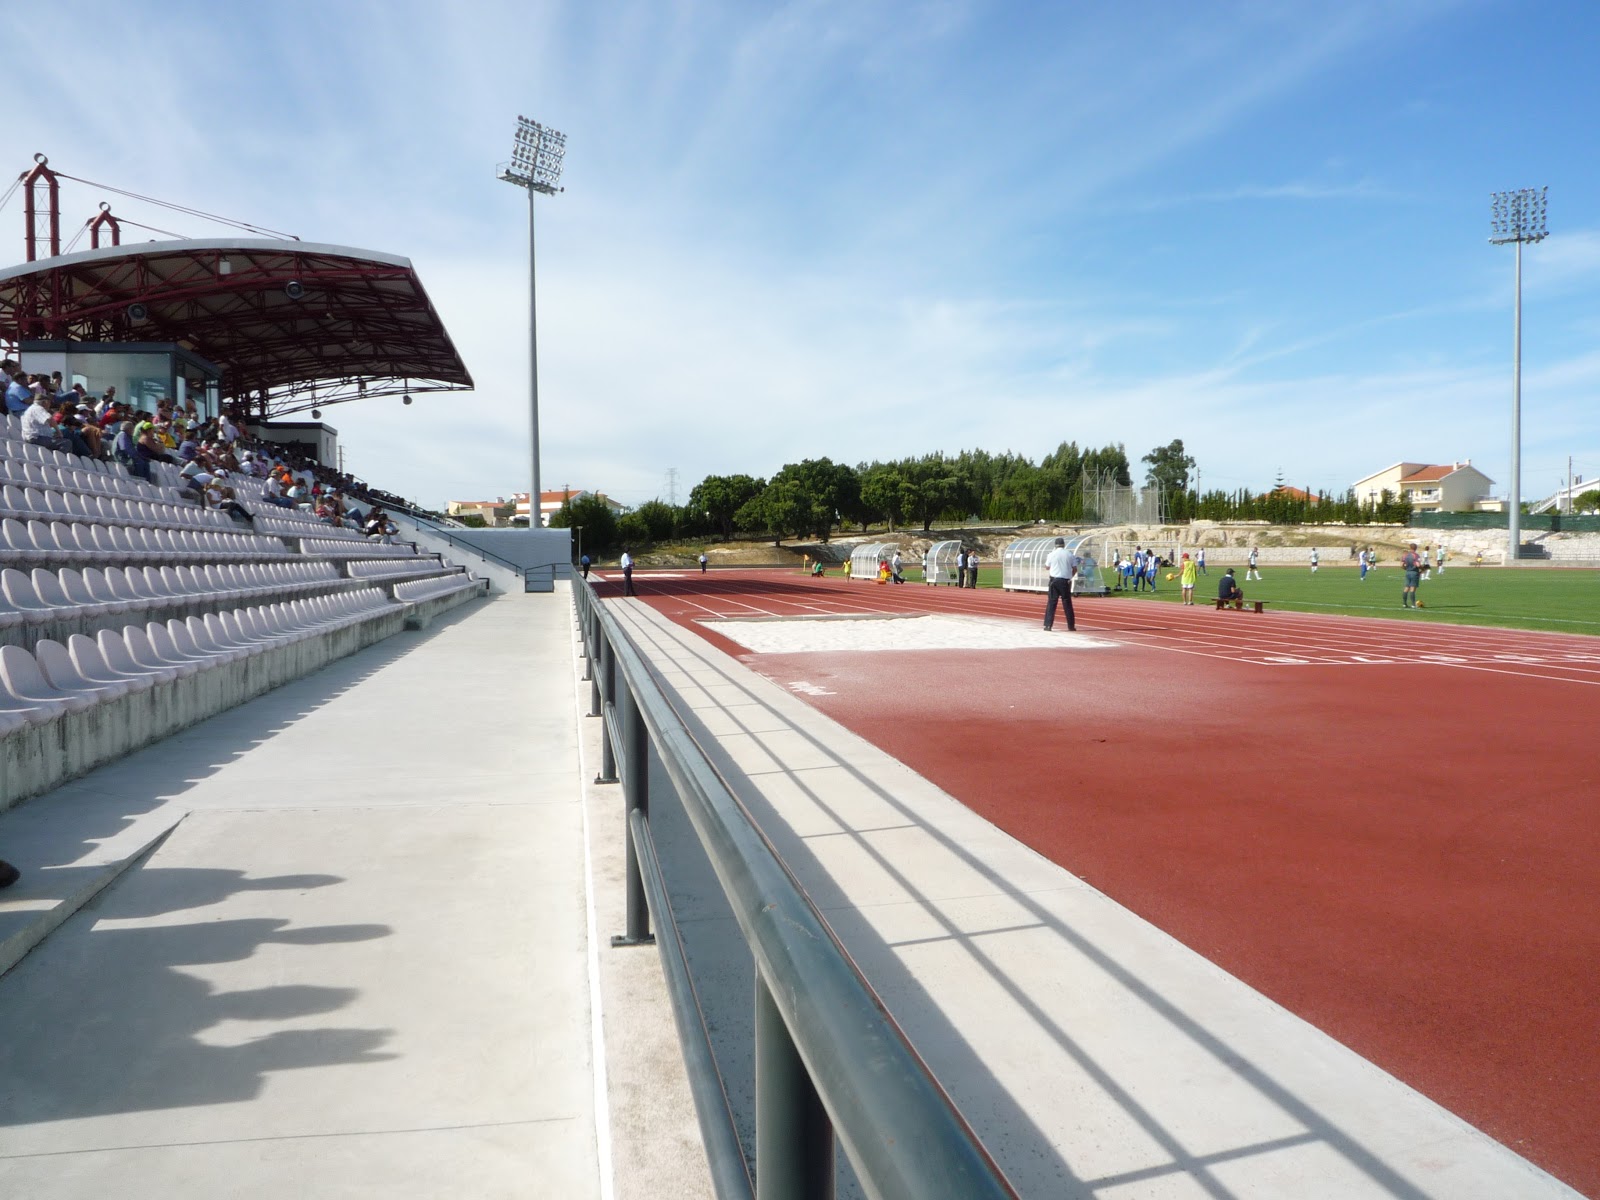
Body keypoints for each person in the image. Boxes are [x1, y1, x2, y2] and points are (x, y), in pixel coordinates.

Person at [1042, 537, 1077, 632]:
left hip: (1054, 580)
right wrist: (1070, 576)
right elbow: (1074, 568)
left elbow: (1047, 567)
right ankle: (1071, 626)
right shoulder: (1070, 554)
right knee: (1067, 603)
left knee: (1051, 603)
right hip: (1065, 581)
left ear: (1055, 545)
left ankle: (1048, 625)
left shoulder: (1051, 554)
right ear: (1064, 544)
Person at [1400, 541, 1423, 609]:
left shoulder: (1405, 555)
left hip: (1408, 572)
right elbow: (1418, 565)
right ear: (1416, 548)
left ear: (1410, 548)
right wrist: (1422, 569)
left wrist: (1406, 569)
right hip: (1414, 572)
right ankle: (1413, 604)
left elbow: (1401, 565)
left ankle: (1404, 604)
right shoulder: (1416, 555)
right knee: (1412, 588)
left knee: (1406, 588)